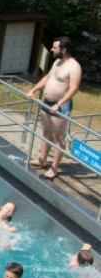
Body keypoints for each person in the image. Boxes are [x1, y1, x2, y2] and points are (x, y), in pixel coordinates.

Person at [27, 36, 82, 180]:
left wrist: (59, 104)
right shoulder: (57, 62)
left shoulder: (74, 66)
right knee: (46, 132)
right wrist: (33, 90)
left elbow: (74, 89)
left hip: (60, 106)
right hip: (47, 102)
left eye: (55, 47)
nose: (52, 49)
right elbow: (47, 78)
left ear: (63, 50)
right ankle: (42, 159)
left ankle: (54, 168)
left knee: (58, 137)